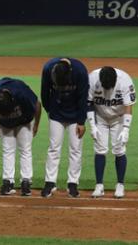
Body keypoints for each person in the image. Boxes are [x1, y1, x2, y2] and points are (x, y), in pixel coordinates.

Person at [40, 57, 89, 198]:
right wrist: (50, 111)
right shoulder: (49, 68)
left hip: (75, 116)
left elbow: (83, 97)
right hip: (56, 114)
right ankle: (50, 183)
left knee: (75, 149)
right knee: (54, 148)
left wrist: (81, 121)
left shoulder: (79, 71)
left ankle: (73, 184)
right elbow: (45, 92)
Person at [0, 78, 41, 196]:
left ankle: (26, 182)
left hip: (24, 121)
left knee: (25, 149)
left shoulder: (21, 92)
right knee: (8, 150)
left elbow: (37, 104)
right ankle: (7, 182)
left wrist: (36, 124)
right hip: (5, 124)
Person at [88, 66, 135, 199]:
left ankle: (120, 185)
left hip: (119, 118)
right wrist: (92, 125)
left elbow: (128, 106)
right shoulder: (92, 78)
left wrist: (126, 129)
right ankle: (99, 186)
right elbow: (89, 102)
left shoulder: (125, 80)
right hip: (100, 117)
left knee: (119, 149)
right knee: (100, 150)